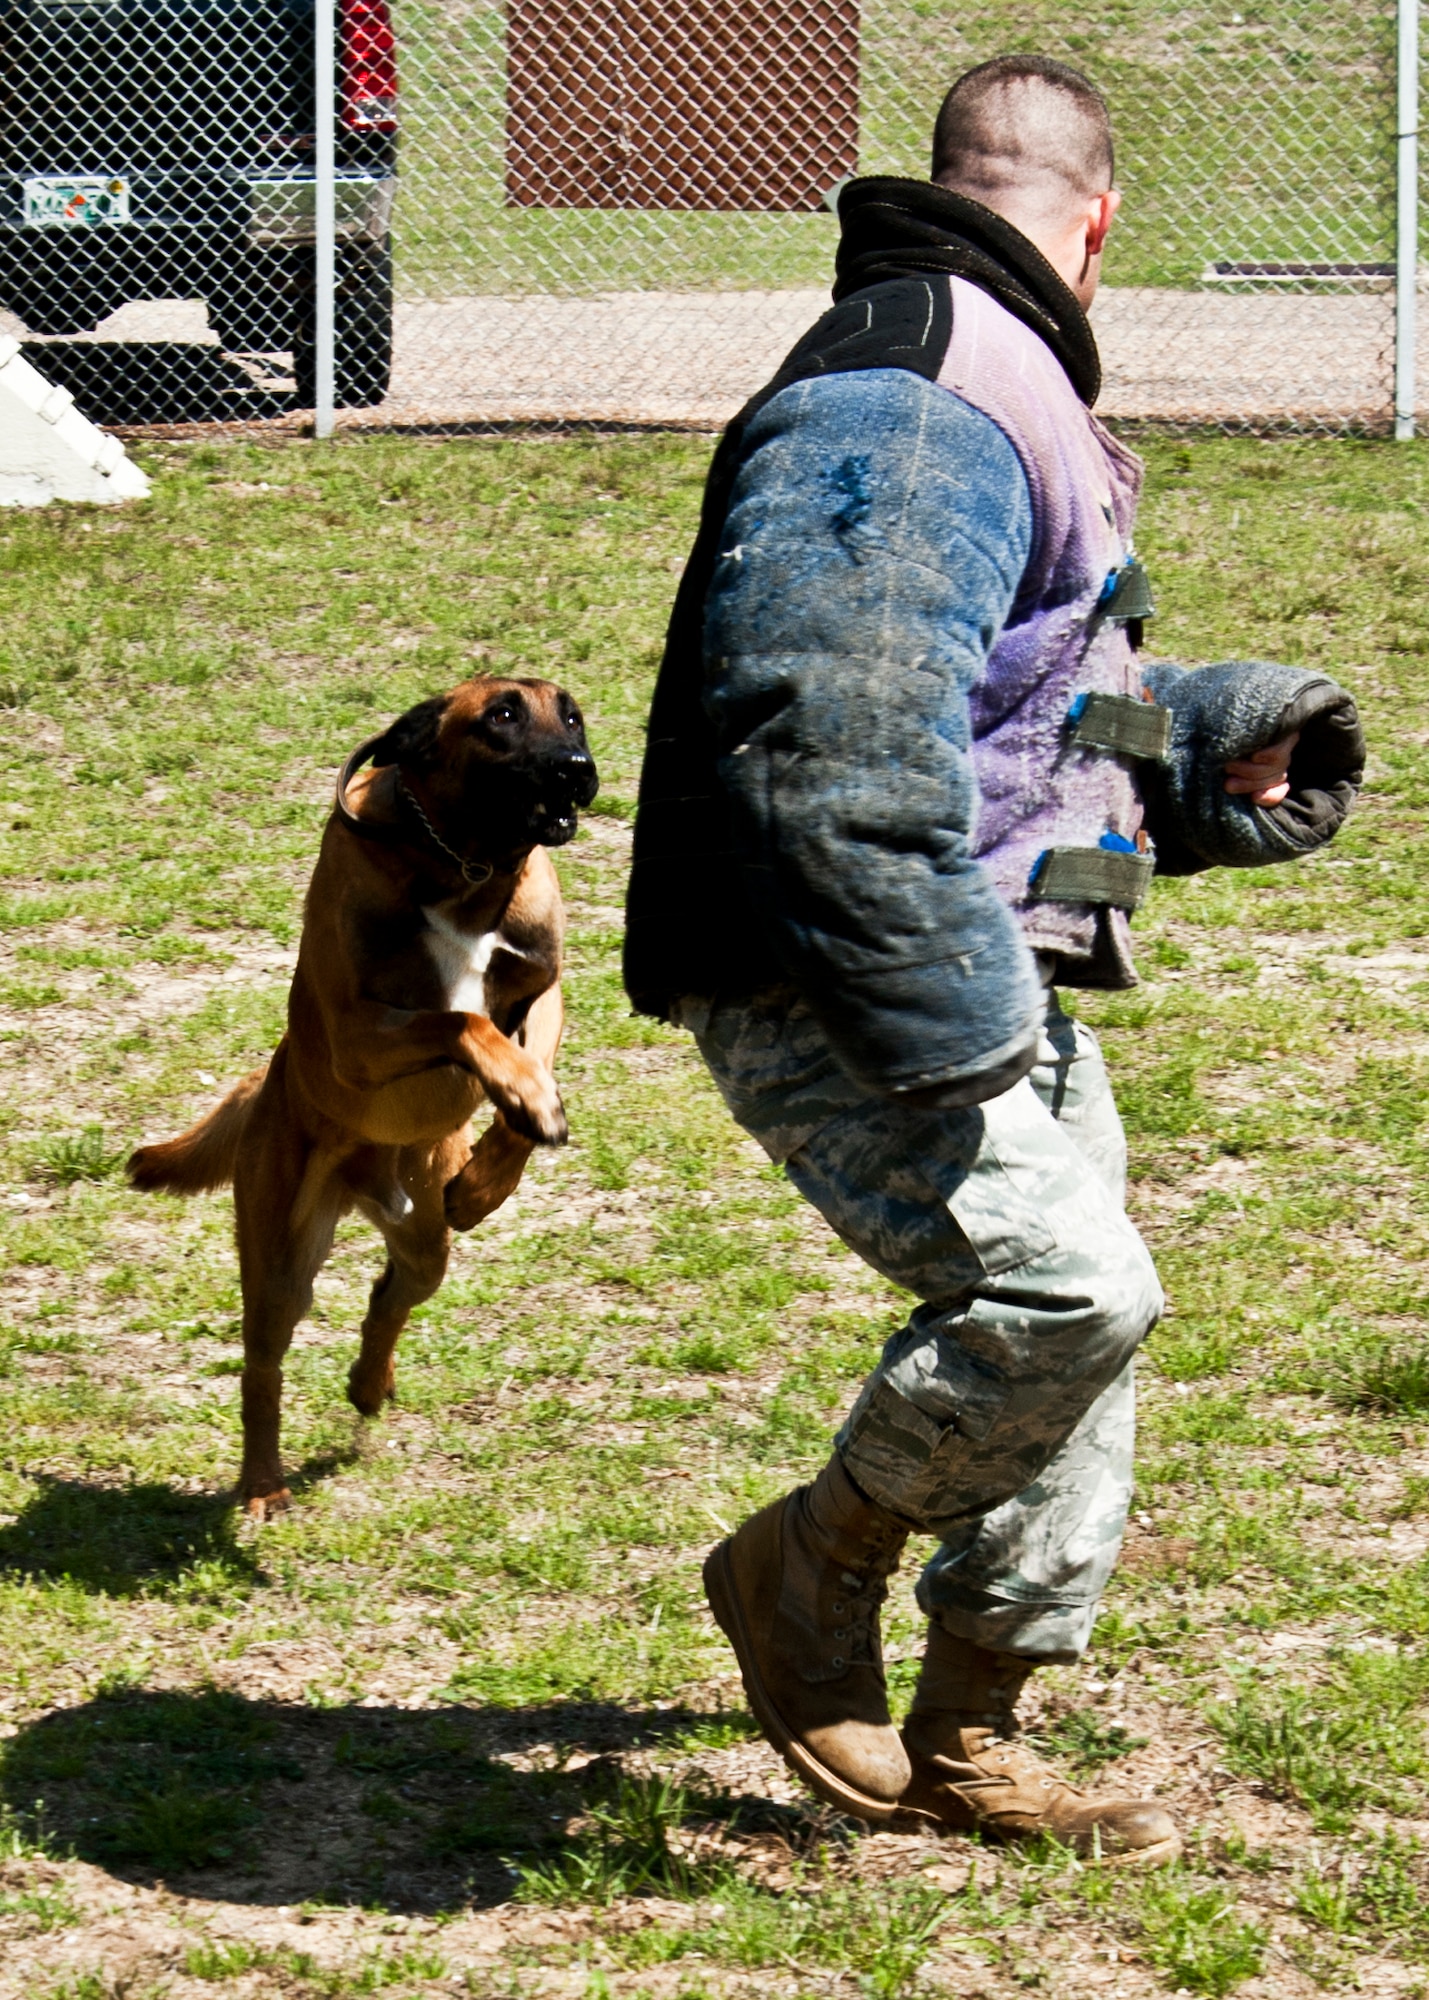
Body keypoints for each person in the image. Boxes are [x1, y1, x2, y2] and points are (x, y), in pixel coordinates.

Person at [623, 55, 1364, 1863]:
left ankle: (973, 1714)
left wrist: (1207, 755)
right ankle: (803, 1573)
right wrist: (952, 1026)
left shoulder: (1001, 379)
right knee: (1065, 1294)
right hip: (831, 956)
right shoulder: (922, 388)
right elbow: (826, 731)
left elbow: (1019, 720)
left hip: (938, 942)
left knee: (1092, 1330)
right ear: (1101, 216)